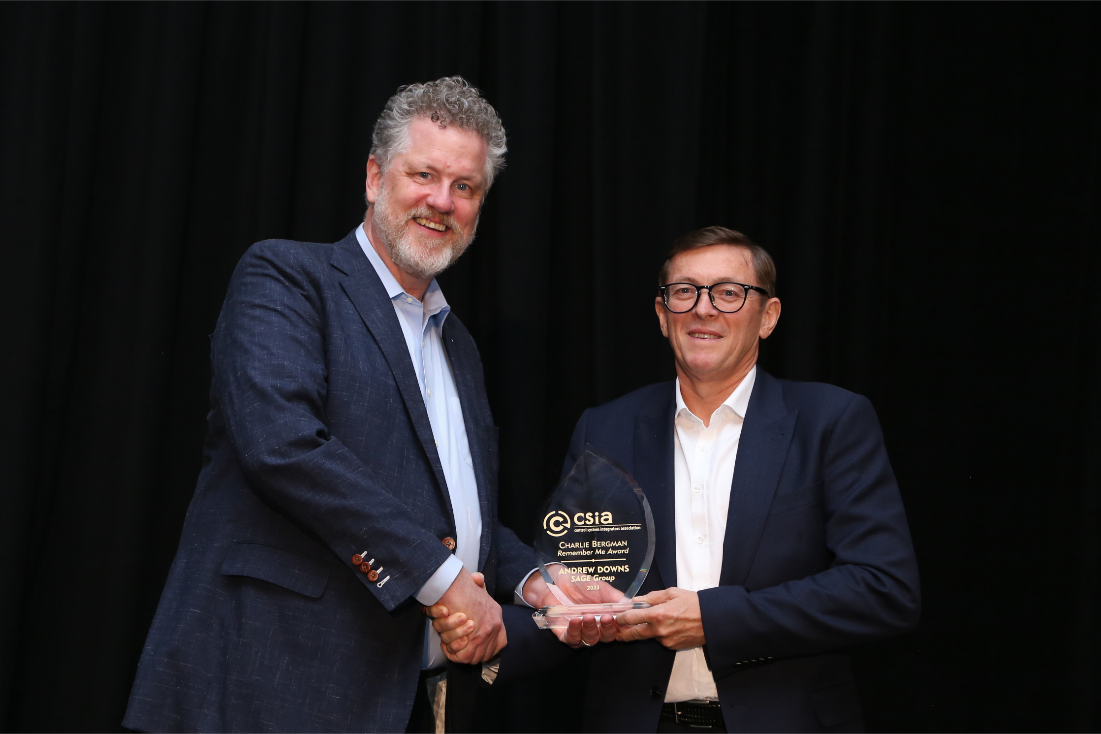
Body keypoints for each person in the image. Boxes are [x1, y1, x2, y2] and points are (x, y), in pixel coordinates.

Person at [123, 76, 562, 733]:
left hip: (400, 698)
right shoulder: (286, 277)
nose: (441, 201)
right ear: (374, 176)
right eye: (423, 174)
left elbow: (452, 509)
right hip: (265, 684)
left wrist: (537, 583)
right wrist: (442, 578)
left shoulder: (459, 345)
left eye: (465, 187)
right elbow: (283, 446)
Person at [432, 226, 920, 732]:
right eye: (684, 291)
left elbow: (883, 589)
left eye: (729, 293)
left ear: (768, 316)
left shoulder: (830, 421)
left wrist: (712, 618)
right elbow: (583, 595)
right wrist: (493, 636)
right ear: (663, 315)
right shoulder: (606, 429)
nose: (703, 309)